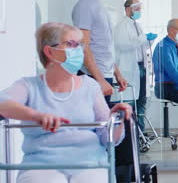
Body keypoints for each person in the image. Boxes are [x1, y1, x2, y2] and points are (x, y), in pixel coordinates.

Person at [0, 22, 132, 183]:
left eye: (80, 45)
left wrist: (117, 121)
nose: (78, 50)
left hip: (89, 163)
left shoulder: (90, 86)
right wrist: (36, 116)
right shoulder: (29, 86)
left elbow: (109, 138)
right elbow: (3, 104)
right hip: (41, 166)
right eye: (71, 44)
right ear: (49, 51)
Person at [72, 0, 127, 103]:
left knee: (104, 122)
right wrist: (100, 80)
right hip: (93, 77)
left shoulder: (99, 6)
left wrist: (117, 74)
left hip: (104, 74)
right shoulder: (85, 6)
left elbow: (104, 45)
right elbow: (84, 46)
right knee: (96, 123)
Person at [114, 0, 157, 131]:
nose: (139, 11)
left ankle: (141, 135)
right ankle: (131, 135)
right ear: (128, 9)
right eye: (136, 9)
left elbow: (141, 46)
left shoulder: (138, 25)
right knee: (131, 102)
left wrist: (150, 40)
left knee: (142, 100)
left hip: (141, 67)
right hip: (130, 69)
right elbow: (123, 45)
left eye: (140, 9)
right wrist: (142, 38)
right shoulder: (121, 26)